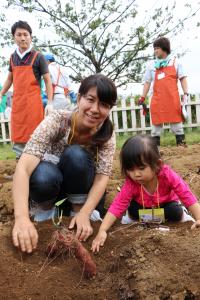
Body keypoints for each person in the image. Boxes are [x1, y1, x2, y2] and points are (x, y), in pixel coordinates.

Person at [12, 74, 117, 253]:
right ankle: (45, 212)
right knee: (45, 175)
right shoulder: (57, 121)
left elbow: (101, 177)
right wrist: (21, 218)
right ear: (78, 98)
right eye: (90, 100)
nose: (95, 109)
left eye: (104, 105)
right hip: (51, 187)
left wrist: (85, 213)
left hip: (81, 192)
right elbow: (23, 168)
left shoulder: (106, 134)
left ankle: (76, 213)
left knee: (76, 154)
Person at [92, 135, 200, 252]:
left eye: (141, 168)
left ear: (157, 164)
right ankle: (138, 216)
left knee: (175, 211)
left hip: (165, 206)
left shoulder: (167, 175)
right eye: (130, 169)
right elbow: (118, 204)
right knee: (132, 210)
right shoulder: (131, 182)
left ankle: (178, 213)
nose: (136, 174)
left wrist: (199, 217)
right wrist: (102, 230)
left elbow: (185, 194)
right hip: (141, 208)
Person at [0, 21, 53, 158]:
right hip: (17, 103)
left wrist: (50, 103)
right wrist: (1, 93)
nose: (22, 38)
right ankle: (20, 167)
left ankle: (38, 166)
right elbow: (10, 79)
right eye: (19, 35)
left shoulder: (38, 56)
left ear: (30, 37)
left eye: (25, 34)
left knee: (36, 135)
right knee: (19, 136)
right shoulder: (12, 58)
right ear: (14, 37)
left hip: (33, 103)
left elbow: (47, 80)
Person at [138, 37, 189, 147]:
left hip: (172, 99)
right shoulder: (151, 65)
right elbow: (147, 82)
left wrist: (186, 93)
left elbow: (183, 78)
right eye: (154, 48)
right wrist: (142, 97)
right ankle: (155, 151)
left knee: (177, 126)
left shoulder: (176, 62)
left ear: (164, 49)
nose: (155, 51)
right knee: (156, 127)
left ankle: (181, 147)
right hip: (157, 100)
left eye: (157, 48)